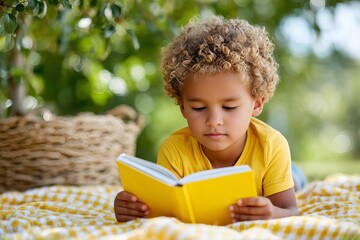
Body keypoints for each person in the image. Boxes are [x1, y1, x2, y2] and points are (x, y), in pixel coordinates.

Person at [114, 15, 300, 223]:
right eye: (199, 107)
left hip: (280, 172)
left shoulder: (272, 146)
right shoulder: (173, 150)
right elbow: (164, 210)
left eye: (229, 107)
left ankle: (295, 175)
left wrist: (272, 212)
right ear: (183, 106)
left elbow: (290, 210)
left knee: (295, 179)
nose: (214, 120)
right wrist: (131, 207)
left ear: (256, 104)